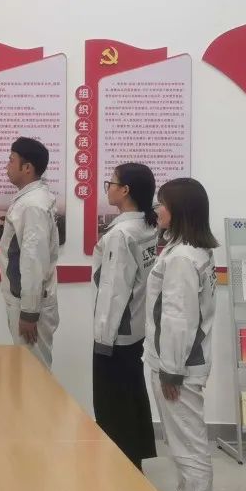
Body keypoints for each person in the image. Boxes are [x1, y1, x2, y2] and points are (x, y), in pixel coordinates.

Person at [143, 177, 221, 491]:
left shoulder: (182, 258)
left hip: (178, 367)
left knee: (189, 443)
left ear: (179, 210)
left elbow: (178, 318)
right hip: (176, 362)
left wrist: (171, 369)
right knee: (181, 440)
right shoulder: (189, 250)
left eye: (162, 203)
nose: (157, 209)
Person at [92, 163, 159, 470]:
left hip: (116, 334)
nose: (108, 188)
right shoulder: (147, 226)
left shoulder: (121, 234)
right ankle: (134, 460)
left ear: (125, 190)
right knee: (132, 396)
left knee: (112, 404)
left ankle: (119, 467)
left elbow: (113, 290)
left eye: (112, 183)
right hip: (136, 327)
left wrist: (103, 339)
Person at [0, 137, 60, 369]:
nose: (7, 166)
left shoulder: (32, 205)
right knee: (28, 371)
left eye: (11, 160)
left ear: (27, 168)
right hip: (25, 301)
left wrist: (29, 312)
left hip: (30, 307)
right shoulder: (30, 200)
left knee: (34, 373)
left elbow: (33, 260)